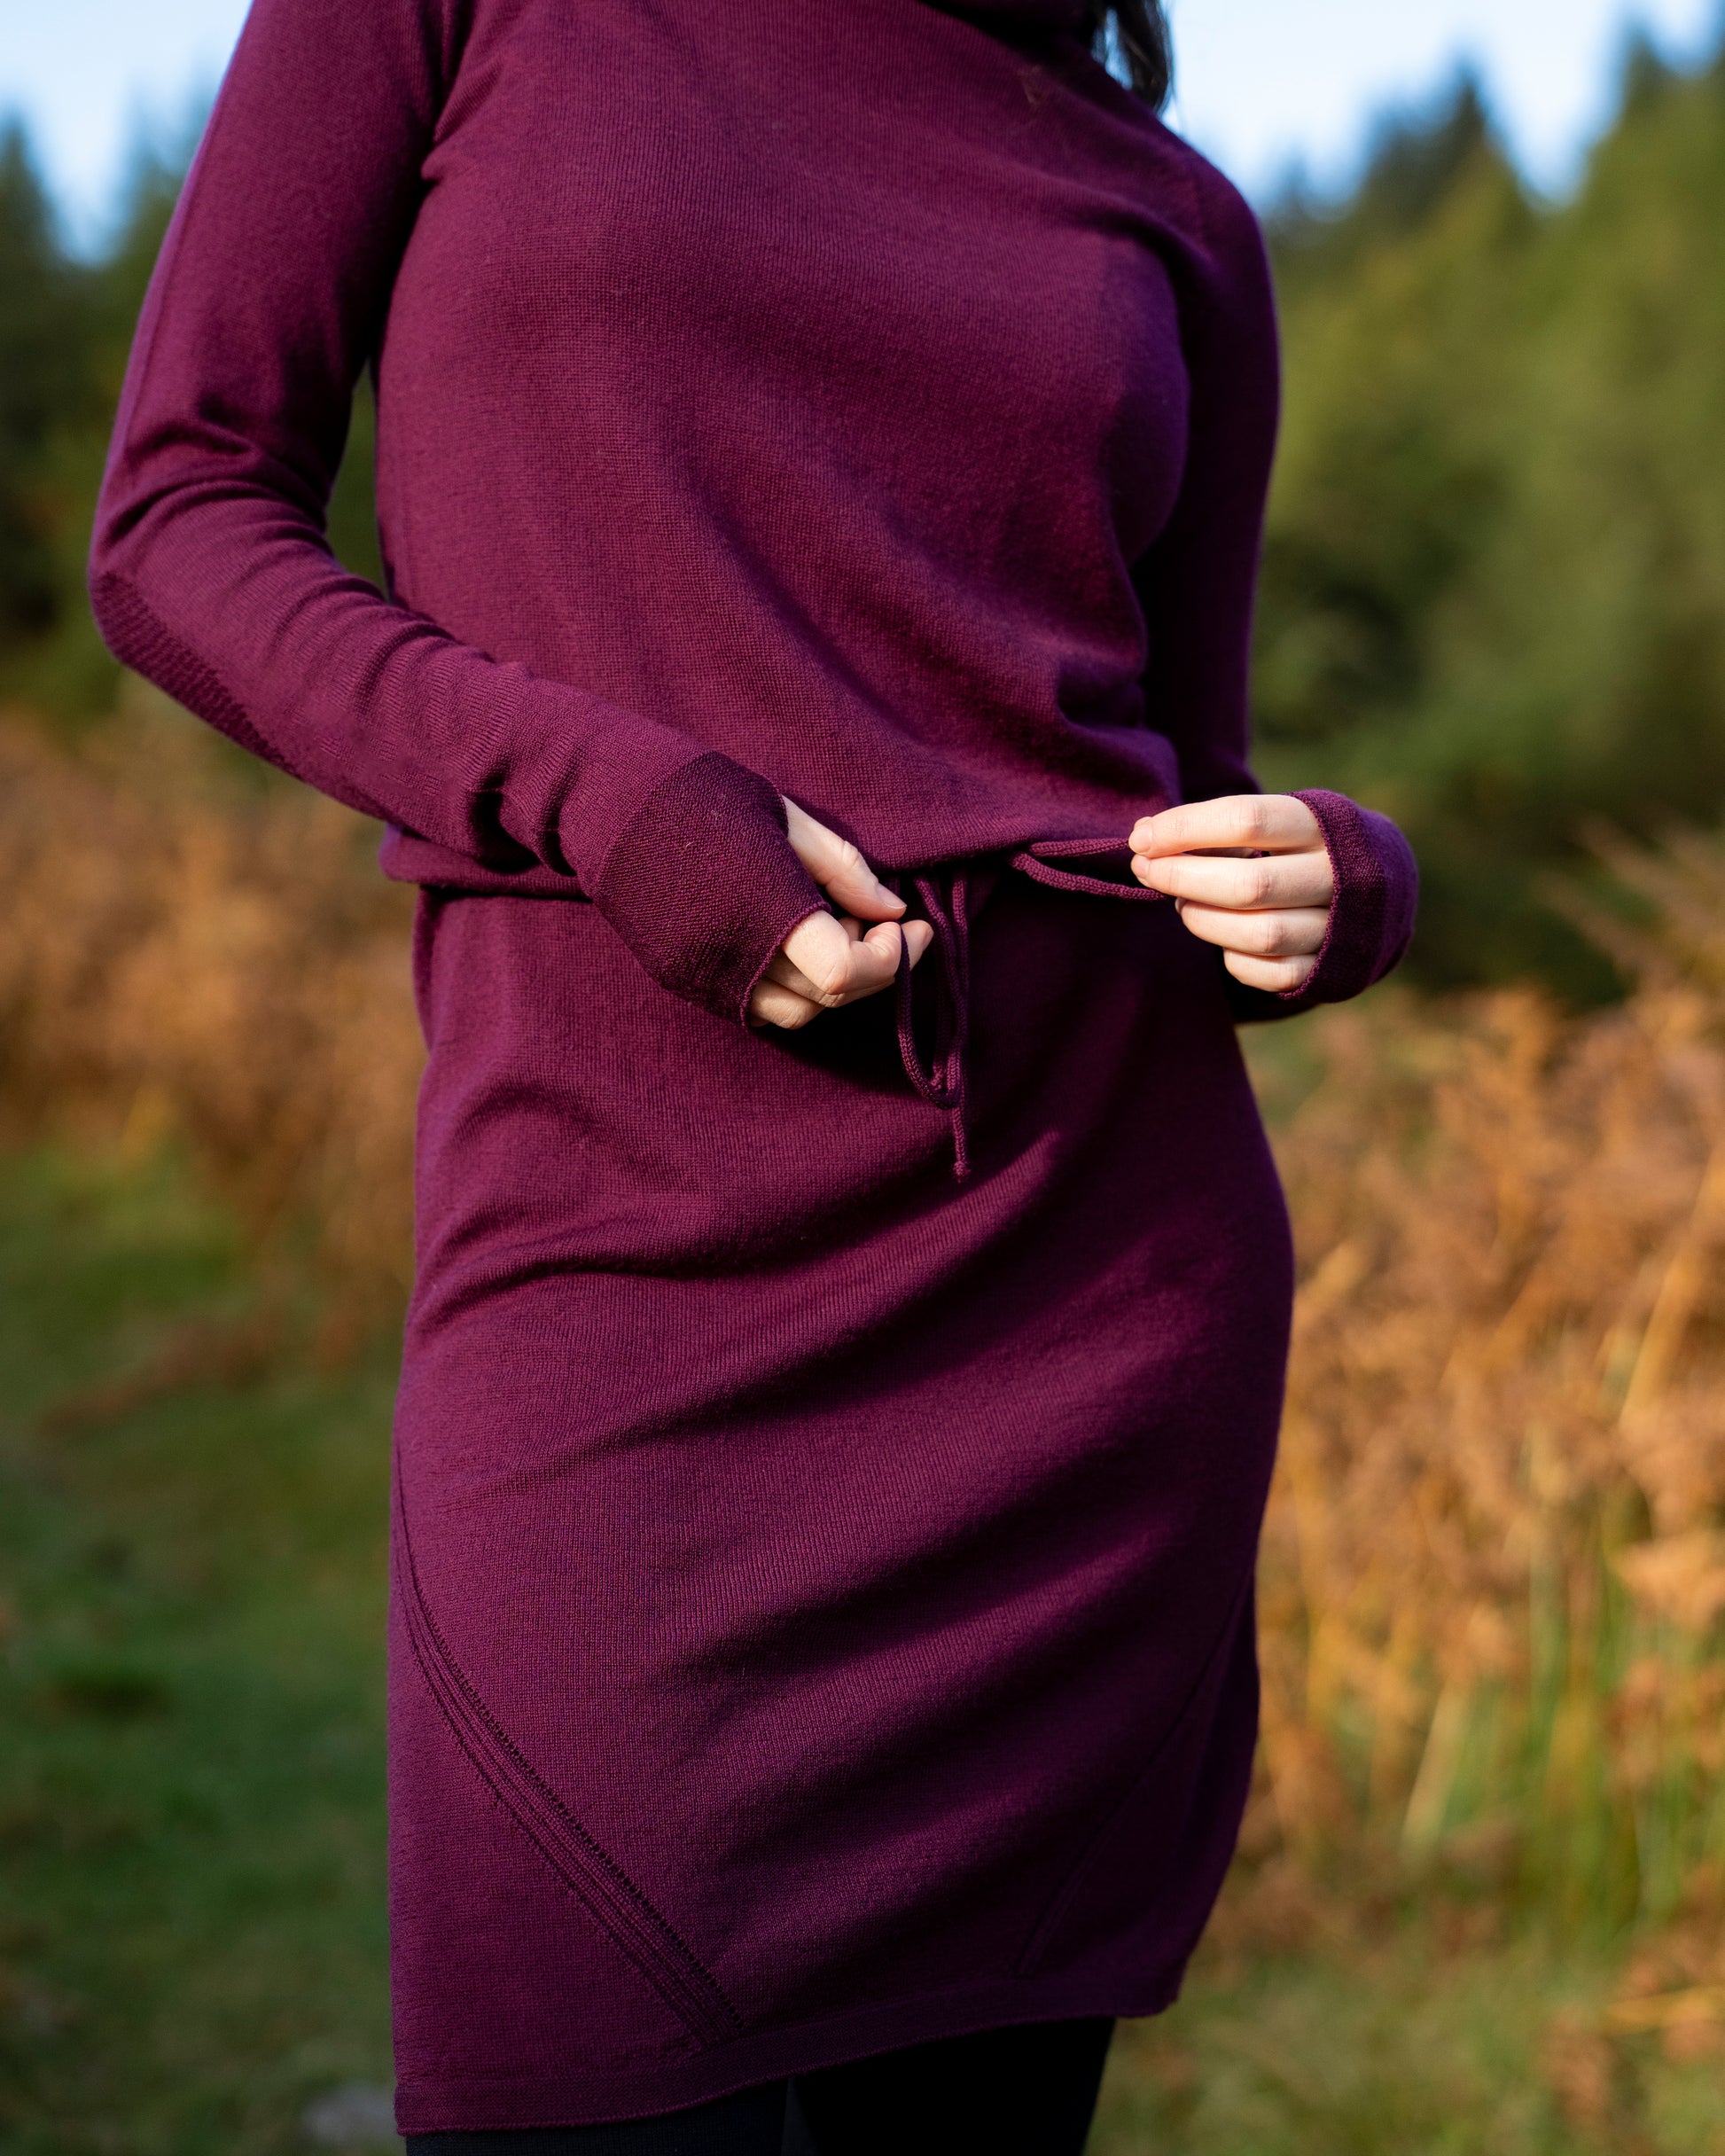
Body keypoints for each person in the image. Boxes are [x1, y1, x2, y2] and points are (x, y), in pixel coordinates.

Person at [90, 0, 1417, 2145]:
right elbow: (175, 525)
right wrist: (601, 793)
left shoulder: (1170, 209)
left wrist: (1337, 883)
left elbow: (1182, 777)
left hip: (1082, 1324)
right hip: (610, 1272)